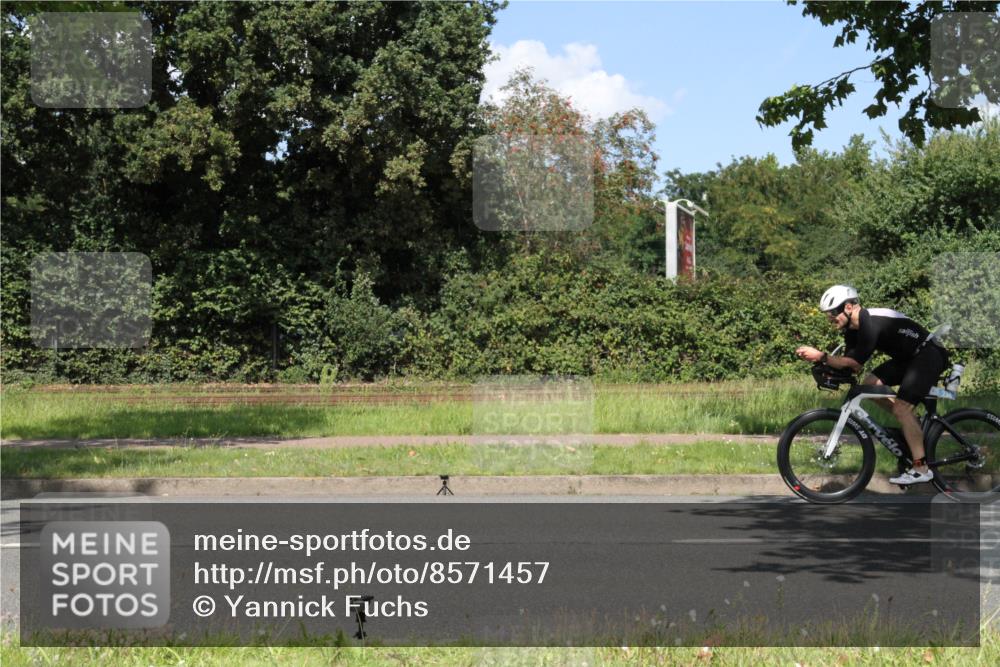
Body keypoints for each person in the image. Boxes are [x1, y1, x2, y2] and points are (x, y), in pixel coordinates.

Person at [795, 285, 950, 485]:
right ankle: (912, 424)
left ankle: (921, 468)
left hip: (928, 354)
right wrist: (822, 365)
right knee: (870, 384)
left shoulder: (870, 322)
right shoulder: (852, 331)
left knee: (902, 409)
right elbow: (851, 367)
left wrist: (822, 356)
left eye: (833, 312)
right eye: (827, 314)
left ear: (849, 307)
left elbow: (854, 363)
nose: (830, 318)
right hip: (909, 359)